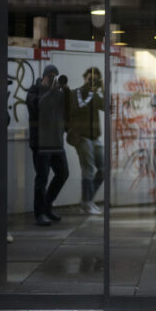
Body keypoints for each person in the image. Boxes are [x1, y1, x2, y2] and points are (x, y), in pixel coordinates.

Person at [26, 64, 69, 226]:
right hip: (41, 143)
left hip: (56, 141)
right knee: (42, 178)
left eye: (55, 76)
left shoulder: (57, 93)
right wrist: (50, 91)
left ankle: (47, 205)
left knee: (63, 173)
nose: (52, 79)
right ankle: (39, 214)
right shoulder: (34, 91)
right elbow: (38, 108)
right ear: (43, 76)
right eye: (50, 76)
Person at [68, 66, 104, 215]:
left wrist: (102, 90)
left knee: (103, 168)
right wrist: (92, 91)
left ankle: (86, 200)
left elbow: (108, 107)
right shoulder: (76, 93)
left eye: (95, 80)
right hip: (82, 137)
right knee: (88, 169)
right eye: (90, 79)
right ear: (84, 78)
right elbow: (75, 110)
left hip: (94, 137)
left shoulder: (95, 95)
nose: (92, 82)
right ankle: (87, 202)